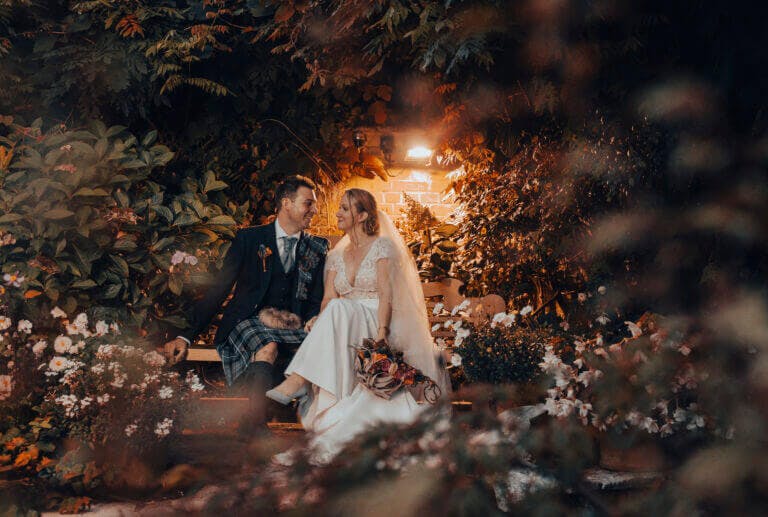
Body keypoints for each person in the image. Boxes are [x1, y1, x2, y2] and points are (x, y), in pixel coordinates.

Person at [266, 188, 450, 462]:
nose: (337, 213)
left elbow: (387, 296)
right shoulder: (335, 256)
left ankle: (299, 380)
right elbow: (329, 299)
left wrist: (381, 334)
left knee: (340, 309)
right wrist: (320, 317)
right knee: (337, 308)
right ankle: (302, 382)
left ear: (362, 215)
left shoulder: (381, 247)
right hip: (344, 322)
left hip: (377, 319)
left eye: (344, 208)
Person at [163, 175, 329, 429]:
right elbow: (220, 288)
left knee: (320, 346)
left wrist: (314, 321)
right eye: (308, 203)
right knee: (268, 346)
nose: (314, 210)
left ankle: (267, 423)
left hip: (293, 326)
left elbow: (317, 297)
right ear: (286, 203)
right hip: (248, 322)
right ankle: (254, 426)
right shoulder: (249, 239)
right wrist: (186, 336)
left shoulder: (317, 246)